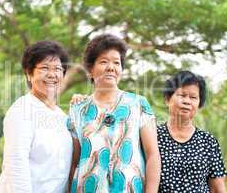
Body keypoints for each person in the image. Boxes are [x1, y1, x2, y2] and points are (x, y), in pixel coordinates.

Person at [68, 34, 161, 193]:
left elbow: (153, 155)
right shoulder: (78, 109)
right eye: (103, 61)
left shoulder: (139, 104)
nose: (111, 67)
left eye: (116, 63)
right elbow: (73, 161)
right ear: (90, 70)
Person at [0, 41, 73, 193]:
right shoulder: (22, 111)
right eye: (44, 68)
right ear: (29, 74)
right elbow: (16, 164)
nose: (52, 74)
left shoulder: (62, 117)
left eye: (58, 69)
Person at [158, 70, 227, 192]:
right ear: (168, 99)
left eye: (193, 97)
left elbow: (217, 189)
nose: (187, 101)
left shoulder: (208, 142)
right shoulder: (153, 136)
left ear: (199, 104)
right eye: (182, 95)